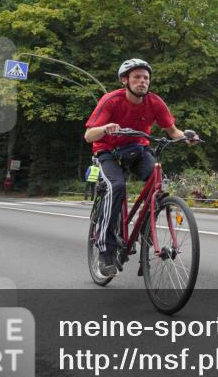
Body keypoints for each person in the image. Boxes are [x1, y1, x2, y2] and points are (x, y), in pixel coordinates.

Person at [84, 59, 199, 276]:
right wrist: (105, 128)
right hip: (107, 152)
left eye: (146, 78)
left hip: (137, 150)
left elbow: (173, 131)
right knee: (116, 187)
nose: (142, 81)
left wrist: (187, 138)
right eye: (136, 77)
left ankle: (145, 231)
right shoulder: (111, 100)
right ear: (124, 80)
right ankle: (105, 250)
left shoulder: (155, 102)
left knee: (158, 185)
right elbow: (89, 135)